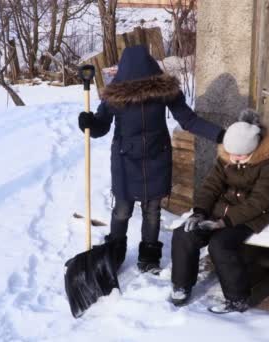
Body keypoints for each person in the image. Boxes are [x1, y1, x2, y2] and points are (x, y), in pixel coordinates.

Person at [78, 45, 225, 275]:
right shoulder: (115, 96)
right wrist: (89, 123)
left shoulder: (164, 93)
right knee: (124, 210)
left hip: (156, 159)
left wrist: (220, 135)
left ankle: (148, 257)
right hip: (126, 162)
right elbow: (101, 125)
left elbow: (188, 120)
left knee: (151, 210)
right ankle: (114, 254)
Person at [169, 109, 269, 313]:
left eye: (241, 155)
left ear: (253, 148)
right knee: (184, 233)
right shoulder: (226, 158)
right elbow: (211, 186)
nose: (235, 158)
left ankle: (237, 299)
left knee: (219, 244)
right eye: (232, 154)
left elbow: (259, 202)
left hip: (248, 216)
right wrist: (200, 212)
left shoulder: (268, 164)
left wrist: (224, 223)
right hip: (218, 211)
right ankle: (181, 285)